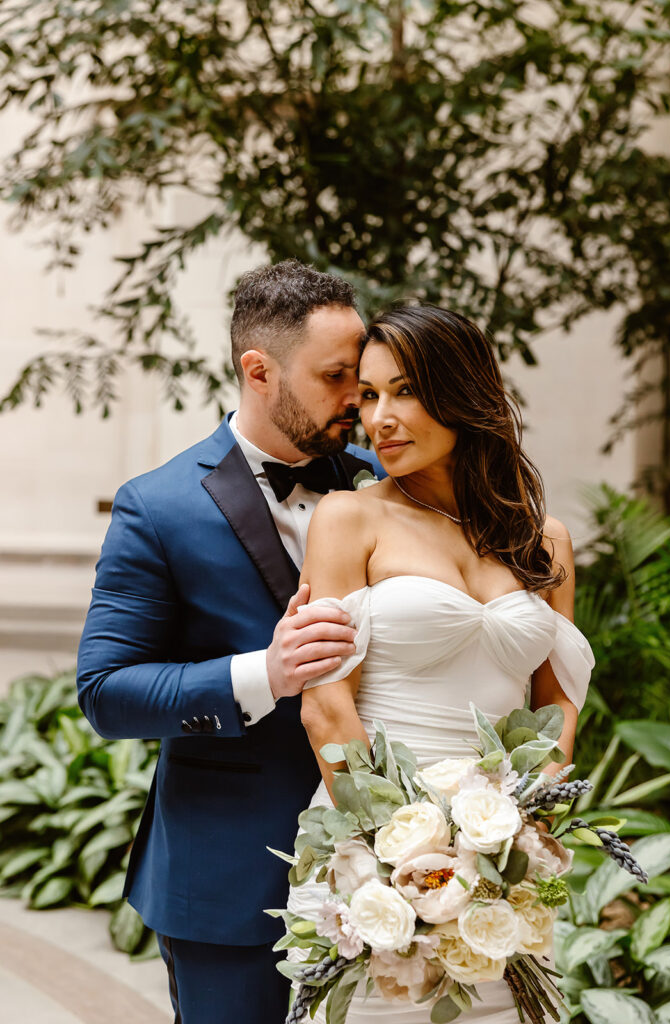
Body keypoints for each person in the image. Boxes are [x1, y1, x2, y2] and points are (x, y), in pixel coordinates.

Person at [76, 260, 383, 1024]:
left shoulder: (384, 482)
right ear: (259, 371)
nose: (359, 400)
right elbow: (106, 692)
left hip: (391, 870)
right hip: (233, 882)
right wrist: (264, 673)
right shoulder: (158, 507)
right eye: (336, 376)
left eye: (363, 374)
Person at [287, 304, 595, 1023]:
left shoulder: (542, 541)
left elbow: (555, 710)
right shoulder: (349, 518)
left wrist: (512, 843)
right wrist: (411, 869)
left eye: (404, 391)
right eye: (367, 396)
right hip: (370, 859)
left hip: (502, 871)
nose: (380, 418)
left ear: (462, 393)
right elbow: (324, 705)